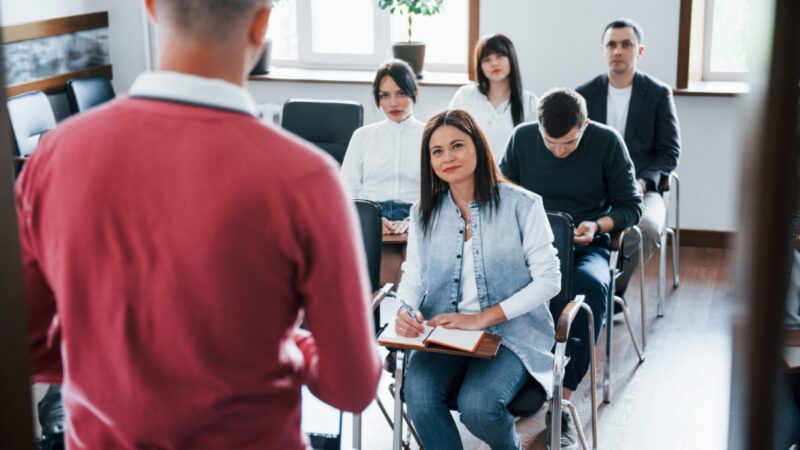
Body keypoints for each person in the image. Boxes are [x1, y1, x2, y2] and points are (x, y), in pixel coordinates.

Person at [15, 0, 381, 448]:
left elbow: (25, 343)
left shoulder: (55, 155)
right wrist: (296, 347)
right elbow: (353, 386)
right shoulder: (307, 179)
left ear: (151, 8)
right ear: (261, 22)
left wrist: (112, 364)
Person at [395, 109, 561, 449]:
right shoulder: (423, 212)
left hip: (510, 333)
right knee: (420, 398)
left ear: (478, 147)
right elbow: (413, 274)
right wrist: (405, 309)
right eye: (437, 151)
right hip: (445, 331)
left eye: (457, 145)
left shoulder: (523, 205)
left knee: (479, 408)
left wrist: (483, 318)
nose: (447, 157)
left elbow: (549, 280)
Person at [500, 88, 642, 449]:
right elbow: (500, 192)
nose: (559, 151)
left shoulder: (607, 142)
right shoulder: (522, 138)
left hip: (584, 245)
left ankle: (559, 403)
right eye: (551, 143)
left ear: (585, 125)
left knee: (589, 290)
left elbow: (630, 206)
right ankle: (511, 379)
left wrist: (598, 225)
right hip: (528, 247)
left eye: (568, 143)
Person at [576, 18, 681, 299]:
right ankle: (586, 286)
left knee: (644, 229)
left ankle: (611, 292)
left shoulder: (658, 94)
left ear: (640, 51)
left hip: (643, 187)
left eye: (626, 44)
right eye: (611, 45)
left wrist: (644, 182)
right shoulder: (583, 95)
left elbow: (670, 152)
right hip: (595, 187)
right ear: (603, 50)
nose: (618, 51)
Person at [341, 59, 424, 235]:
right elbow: (347, 188)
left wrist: (415, 221)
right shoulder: (362, 136)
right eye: (385, 95)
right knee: (385, 259)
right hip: (371, 215)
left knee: (407, 258)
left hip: (417, 215)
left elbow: (441, 191)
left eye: (401, 93)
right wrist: (371, 220)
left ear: (414, 93)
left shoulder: (430, 136)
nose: (393, 103)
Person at [448, 33, 538, 161]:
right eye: (486, 60)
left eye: (500, 56)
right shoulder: (465, 95)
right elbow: (449, 136)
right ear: (480, 66)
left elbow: (532, 148)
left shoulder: (529, 102)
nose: (494, 63)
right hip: (471, 172)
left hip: (511, 177)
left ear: (511, 59)